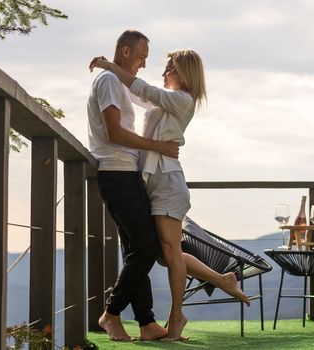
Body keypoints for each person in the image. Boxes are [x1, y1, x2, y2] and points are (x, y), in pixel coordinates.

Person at [90, 49, 250, 341]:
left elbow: (141, 89)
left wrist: (108, 65)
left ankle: (176, 318)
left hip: (167, 183)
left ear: (184, 73)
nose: (164, 73)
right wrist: (113, 74)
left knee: (169, 252)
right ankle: (221, 279)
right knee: (165, 255)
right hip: (153, 182)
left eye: (169, 68)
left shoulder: (181, 99)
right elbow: (137, 94)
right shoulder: (166, 100)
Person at [88, 30, 177, 342]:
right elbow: (115, 133)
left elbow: (145, 94)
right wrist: (159, 146)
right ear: (125, 52)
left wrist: (109, 66)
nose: (143, 64)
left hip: (125, 174)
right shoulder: (108, 83)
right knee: (147, 247)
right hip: (117, 175)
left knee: (135, 249)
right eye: (141, 57)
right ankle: (111, 315)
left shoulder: (115, 80)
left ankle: (146, 322)